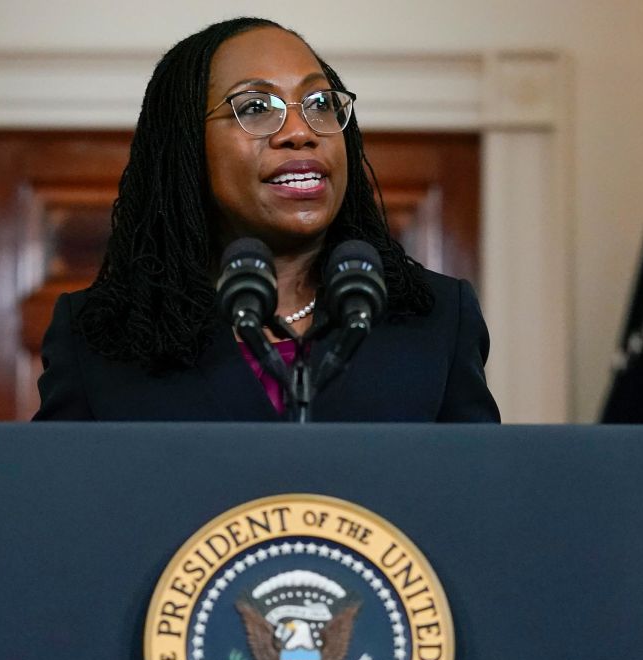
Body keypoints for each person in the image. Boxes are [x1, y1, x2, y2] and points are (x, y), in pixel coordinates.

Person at [34, 17, 499, 422]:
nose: (300, 132)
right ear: (185, 147)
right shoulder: (97, 336)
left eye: (320, 104)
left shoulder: (437, 319)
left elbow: (477, 500)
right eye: (255, 107)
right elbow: (61, 506)